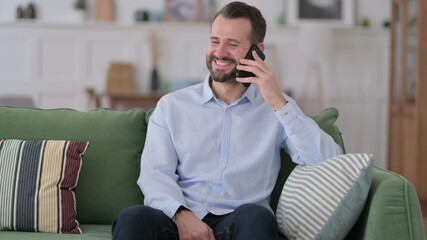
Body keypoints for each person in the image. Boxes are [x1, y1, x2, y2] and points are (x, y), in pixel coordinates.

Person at [112, 1, 342, 240]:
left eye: (232, 44)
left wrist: (278, 102)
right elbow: (155, 174)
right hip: (178, 219)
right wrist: (182, 216)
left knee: (257, 217)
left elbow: (329, 163)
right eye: (214, 41)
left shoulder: (277, 109)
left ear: (257, 50)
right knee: (133, 218)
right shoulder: (172, 106)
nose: (219, 52)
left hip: (241, 224)